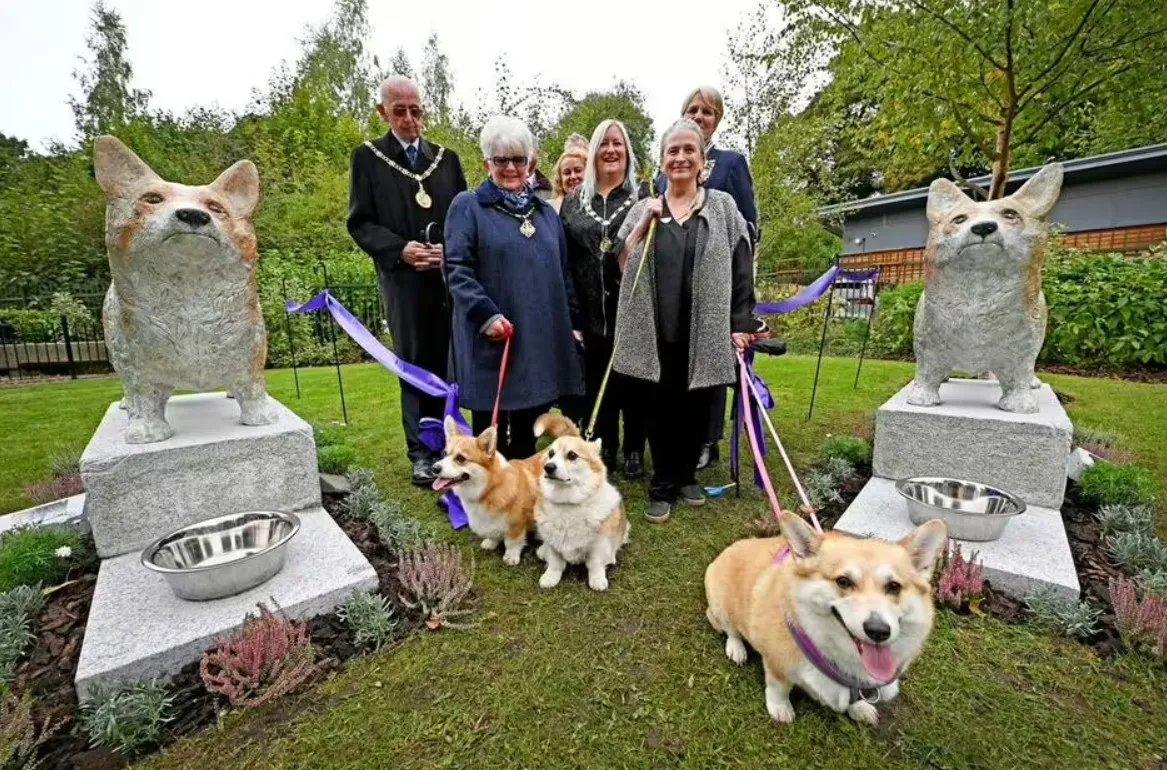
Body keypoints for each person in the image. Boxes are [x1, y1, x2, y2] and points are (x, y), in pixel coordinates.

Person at [615, 118, 761, 523]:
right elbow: (622, 262)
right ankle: (662, 483)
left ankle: (684, 476)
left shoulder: (723, 207)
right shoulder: (645, 207)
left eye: (688, 150)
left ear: (703, 162)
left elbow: (741, 268)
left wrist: (741, 322)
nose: (680, 157)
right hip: (655, 327)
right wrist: (646, 222)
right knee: (659, 407)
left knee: (697, 405)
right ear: (661, 161)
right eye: (672, 151)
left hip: (705, 326)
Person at [347, 76, 467, 486]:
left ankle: (453, 445)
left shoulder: (446, 160)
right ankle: (420, 450)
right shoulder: (368, 158)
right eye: (400, 111)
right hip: (404, 282)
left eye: (416, 110)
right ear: (383, 112)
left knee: (452, 360)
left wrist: (448, 252)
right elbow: (360, 222)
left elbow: (463, 218)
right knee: (415, 362)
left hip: (446, 279)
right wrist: (400, 249)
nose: (410, 119)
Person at [444, 116, 584, 459]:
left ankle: (519, 495)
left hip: (536, 339)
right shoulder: (468, 207)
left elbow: (562, 273)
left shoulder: (547, 214)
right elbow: (456, 269)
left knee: (527, 425)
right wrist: (485, 314)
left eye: (518, 159)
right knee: (487, 432)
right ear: (486, 163)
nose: (510, 167)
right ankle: (482, 491)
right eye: (501, 159)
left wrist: (574, 323)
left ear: (531, 164)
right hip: (492, 334)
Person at [657, 85, 759, 472]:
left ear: (717, 119)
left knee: (711, 366)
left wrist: (742, 302)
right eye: (693, 110)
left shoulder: (731, 163)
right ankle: (674, 441)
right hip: (674, 285)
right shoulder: (667, 166)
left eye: (708, 112)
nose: (700, 116)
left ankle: (706, 439)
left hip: (717, 282)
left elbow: (746, 226)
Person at [559, 119, 646, 478]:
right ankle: (606, 444)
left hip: (634, 310)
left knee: (635, 382)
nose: (611, 150)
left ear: (627, 152)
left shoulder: (645, 196)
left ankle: (635, 449)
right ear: (593, 152)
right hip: (589, 312)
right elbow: (564, 262)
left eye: (618, 144)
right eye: (604, 144)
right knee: (600, 383)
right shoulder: (574, 203)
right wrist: (573, 317)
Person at [548, 145, 586, 214]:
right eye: (567, 173)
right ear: (560, 179)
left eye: (578, 170)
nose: (573, 177)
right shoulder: (550, 210)